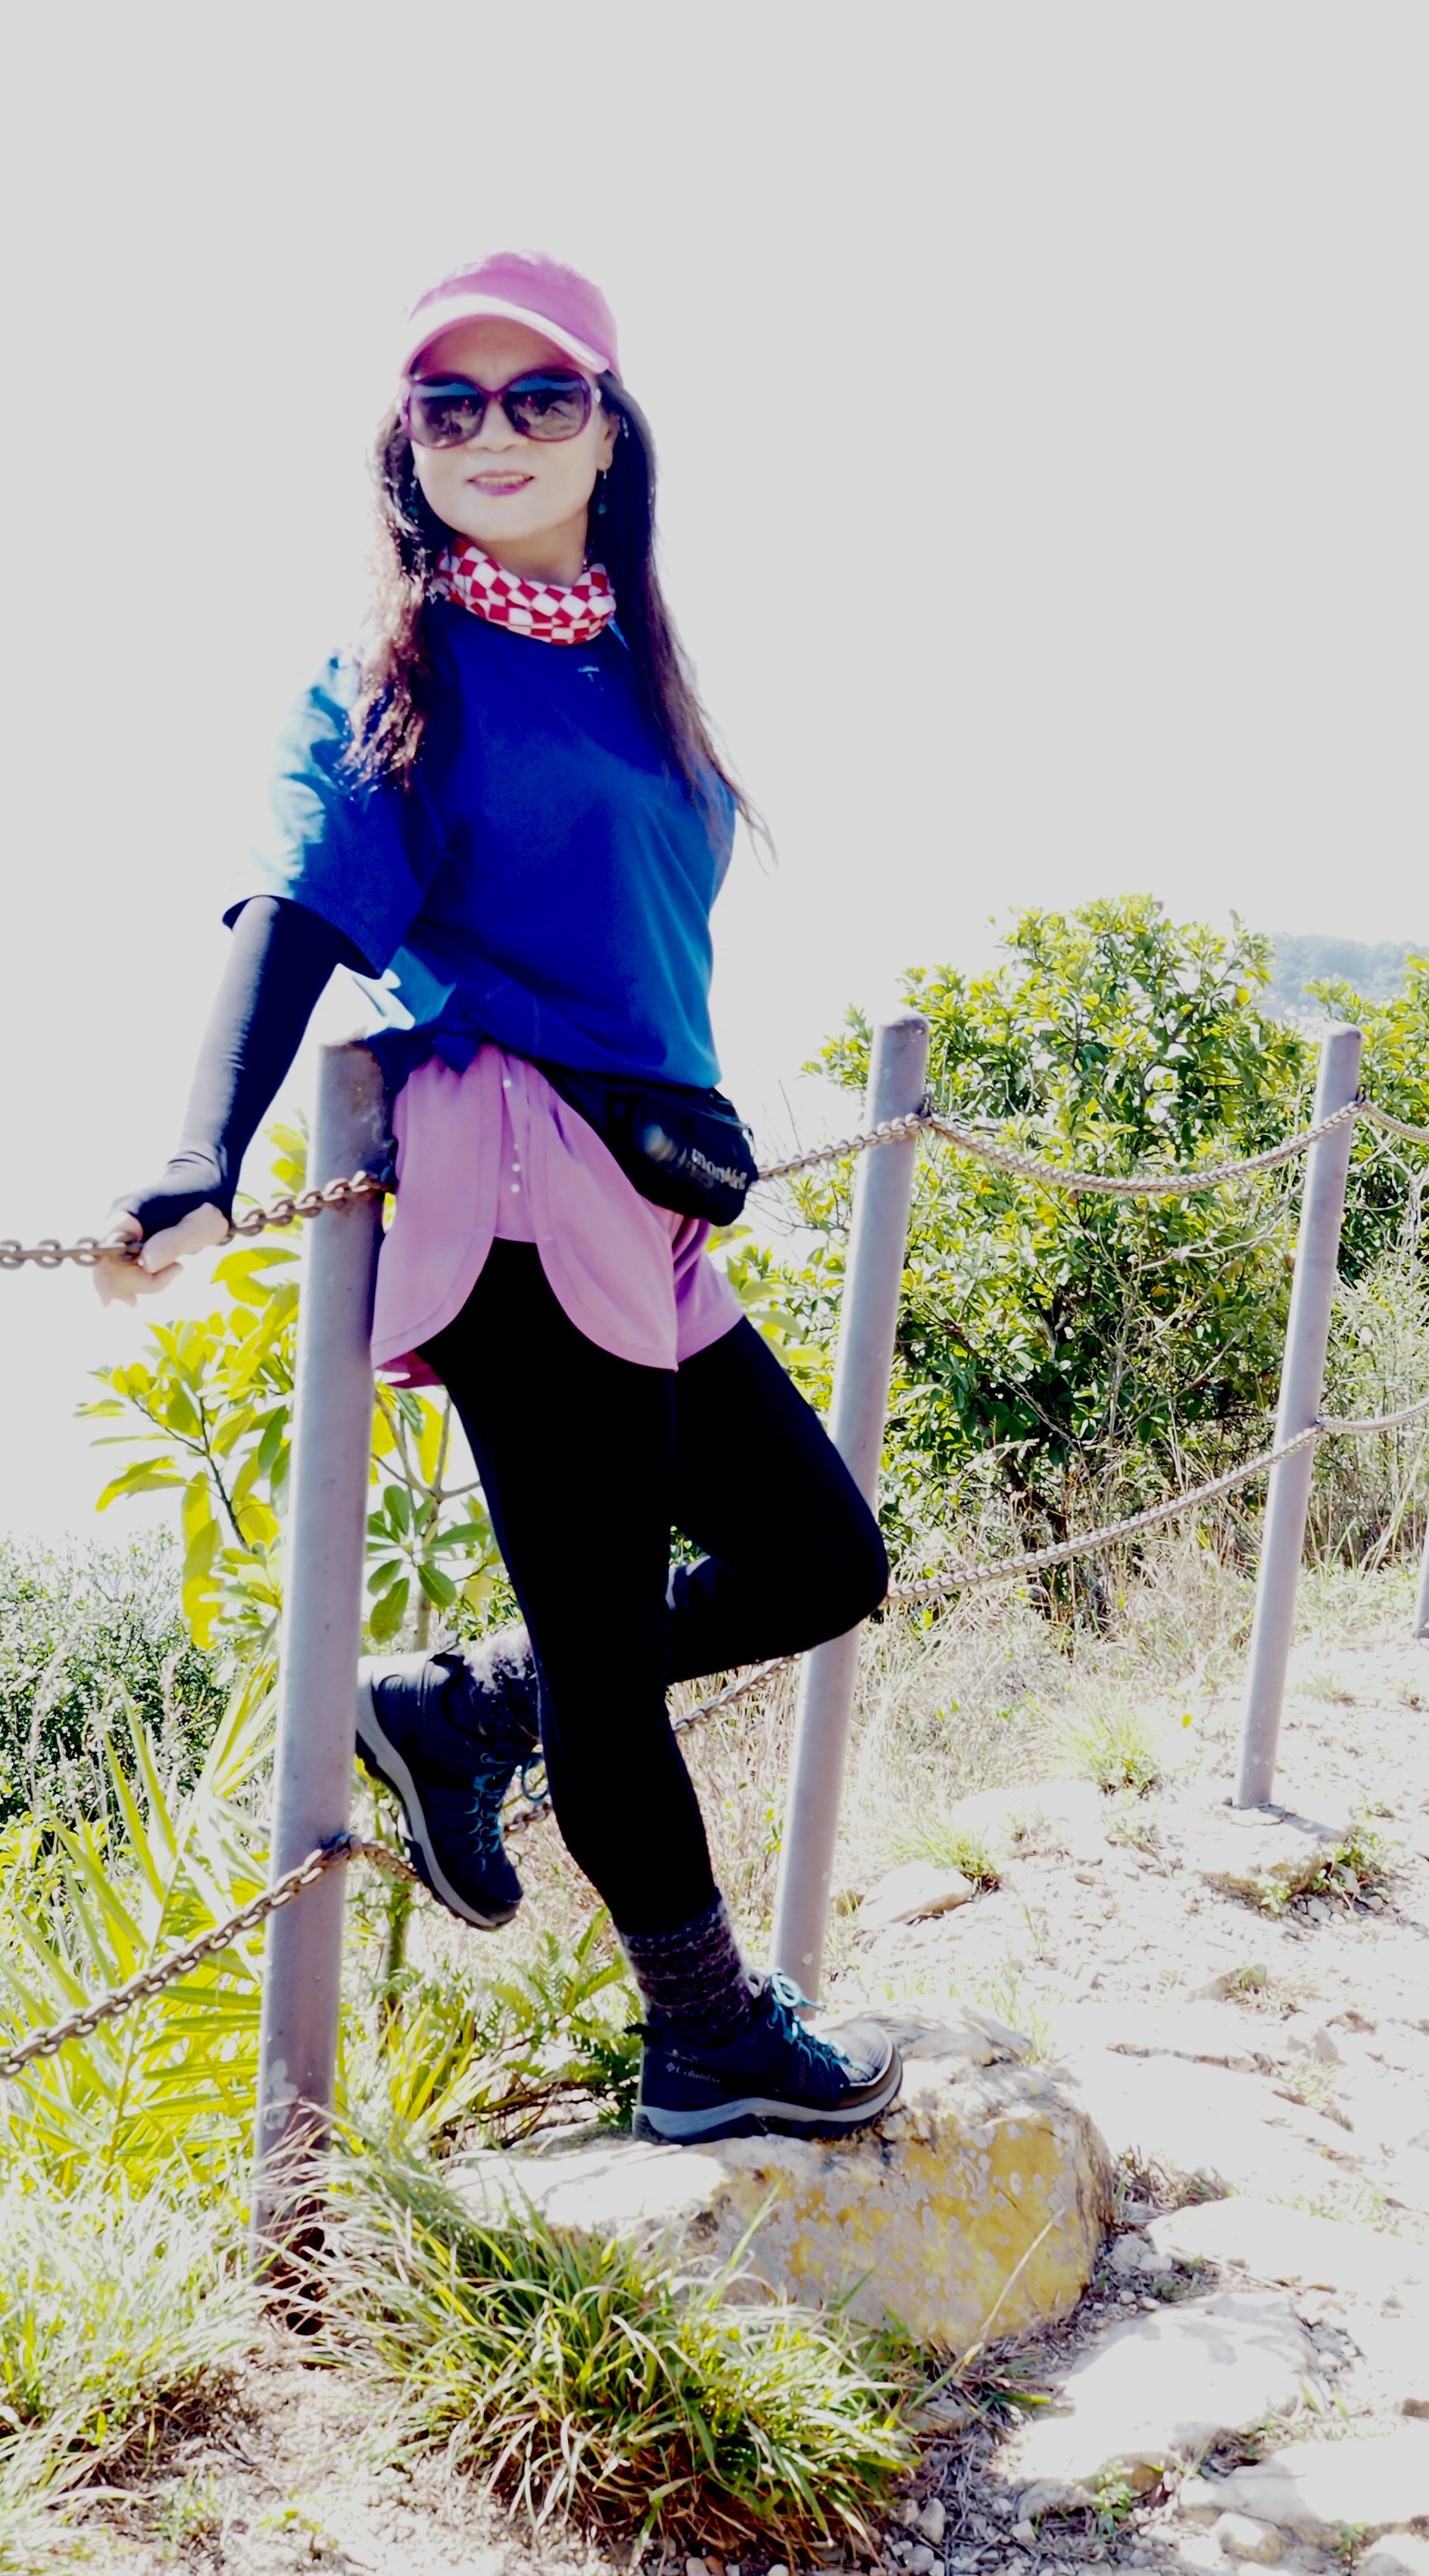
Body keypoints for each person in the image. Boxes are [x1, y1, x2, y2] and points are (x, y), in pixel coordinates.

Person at [98, 252, 902, 2147]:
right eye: (447, 405)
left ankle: (460, 1708)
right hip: (518, 1177)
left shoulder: (622, 654)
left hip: (642, 1189)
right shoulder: (403, 669)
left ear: (609, 431)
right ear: (406, 443)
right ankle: (703, 2037)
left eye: (539, 396)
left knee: (819, 1560)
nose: (493, 433)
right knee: (612, 1656)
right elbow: (299, 900)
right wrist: (201, 1153)